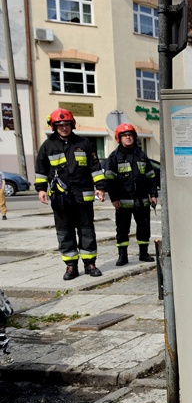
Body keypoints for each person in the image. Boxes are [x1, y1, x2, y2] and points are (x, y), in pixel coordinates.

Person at [35, 108, 107, 280]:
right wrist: (41, 189)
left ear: (72, 124)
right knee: (64, 231)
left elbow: (95, 167)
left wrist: (100, 187)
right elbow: (41, 170)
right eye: (60, 125)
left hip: (83, 195)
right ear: (54, 127)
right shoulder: (47, 146)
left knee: (86, 230)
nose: (64, 128)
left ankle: (90, 263)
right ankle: (71, 266)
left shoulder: (84, 143)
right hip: (60, 197)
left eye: (66, 124)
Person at [105, 123, 157, 266]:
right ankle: (122, 256)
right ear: (119, 138)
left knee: (144, 227)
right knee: (122, 229)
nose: (128, 137)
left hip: (142, 200)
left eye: (130, 135)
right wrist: (114, 198)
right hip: (123, 201)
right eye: (124, 135)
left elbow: (151, 176)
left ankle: (144, 253)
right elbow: (110, 179)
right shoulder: (114, 157)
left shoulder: (141, 155)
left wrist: (153, 195)